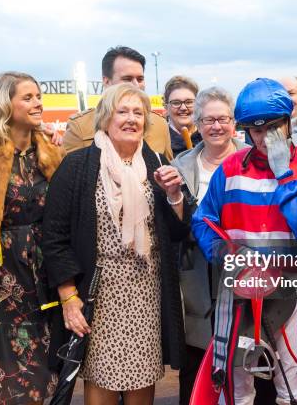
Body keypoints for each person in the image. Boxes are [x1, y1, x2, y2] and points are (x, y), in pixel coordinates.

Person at [42, 83, 190, 405]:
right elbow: (53, 237)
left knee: (142, 379)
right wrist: (68, 297)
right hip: (100, 295)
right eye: (122, 111)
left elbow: (178, 232)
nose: (131, 119)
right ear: (106, 117)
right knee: (102, 382)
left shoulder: (156, 162)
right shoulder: (77, 165)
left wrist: (176, 195)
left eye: (138, 112)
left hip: (146, 293)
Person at [192, 78, 297, 405]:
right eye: (256, 130)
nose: (266, 137)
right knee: (236, 389)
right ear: (246, 131)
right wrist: (229, 259)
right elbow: (203, 220)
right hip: (239, 292)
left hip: (290, 291)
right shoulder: (228, 169)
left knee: (294, 388)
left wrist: (284, 175)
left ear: (288, 122)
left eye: (274, 128)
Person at [0, 71, 65, 404]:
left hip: (45, 271)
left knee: (45, 367)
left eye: (38, 96)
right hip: (1, 273)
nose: (37, 103)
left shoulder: (50, 151)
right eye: (28, 97)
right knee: (5, 367)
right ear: (5, 103)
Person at [170, 86, 248, 404]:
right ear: (198, 124)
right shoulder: (181, 164)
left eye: (223, 119)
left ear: (233, 123)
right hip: (196, 278)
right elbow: (175, 225)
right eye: (208, 120)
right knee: (197, 361)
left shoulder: (252, 158)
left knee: (243, 362)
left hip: (243, 272)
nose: (216, 126)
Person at [63, 46, 173, 160]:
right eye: (127, 79)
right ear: (106, 82)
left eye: (140, 79)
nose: (136, 85)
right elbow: (65, 173)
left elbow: (168, 171)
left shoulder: (160, 125)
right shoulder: (80, 127)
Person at [164, 75, 202, 157]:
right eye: (176, 103)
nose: (183, 108)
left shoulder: (208, 137)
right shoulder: (160, 142)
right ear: (166, 108)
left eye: (189, 102)